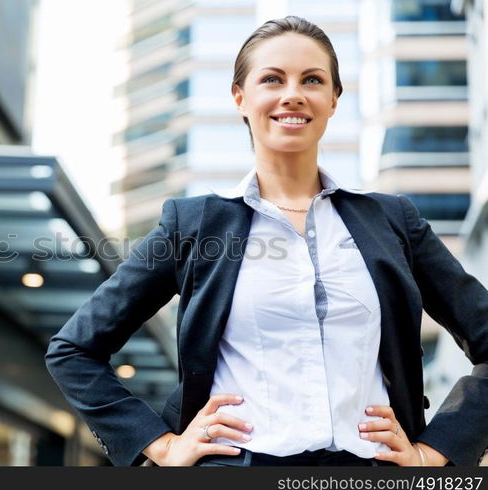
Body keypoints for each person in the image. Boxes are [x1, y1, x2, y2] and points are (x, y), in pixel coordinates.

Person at [45, 16, 488, 467]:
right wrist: (160, 445)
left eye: (312, 80)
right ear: (240, 98)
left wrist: (436, 454)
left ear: (334, 99)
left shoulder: (393, 221)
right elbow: (73, 350)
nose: (292, 93)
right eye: (272, 79)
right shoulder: (194, 225)